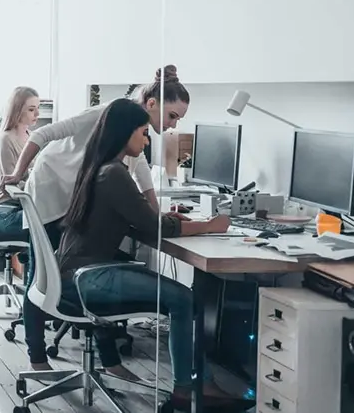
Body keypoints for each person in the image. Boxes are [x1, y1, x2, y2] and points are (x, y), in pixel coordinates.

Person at [55, 98, 243, 410]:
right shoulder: (113, 173)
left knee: (183, 299)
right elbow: (154, 227)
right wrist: (210, 225)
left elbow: (140, 224)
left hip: (76, 274)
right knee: (185, 300)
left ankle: (197, 383)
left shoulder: (98, 168)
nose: (146, 140)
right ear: (124, 132)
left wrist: (175, 222)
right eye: (143, 132)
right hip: (90, 278)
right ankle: (190, 388)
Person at [1, 65, 191, 370]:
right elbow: (46, 133)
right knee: (43, 276)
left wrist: (154, 214)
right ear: (152, 104)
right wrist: (19, 172)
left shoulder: (132, 132)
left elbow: (141, 175)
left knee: (94, 264)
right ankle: (37, 358)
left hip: (76, 197)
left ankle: (111, 362)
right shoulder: (108, 115)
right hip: (51, 193)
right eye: (172, 116)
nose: (172, 125)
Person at [0, 86, 40, 235]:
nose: (37, 113)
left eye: (38, 108)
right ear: (17, 110)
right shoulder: (6, 139)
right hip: (6, 211)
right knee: (49, 224)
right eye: (31, 109)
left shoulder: (32, 136)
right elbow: (12, 186)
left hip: (24, 206)